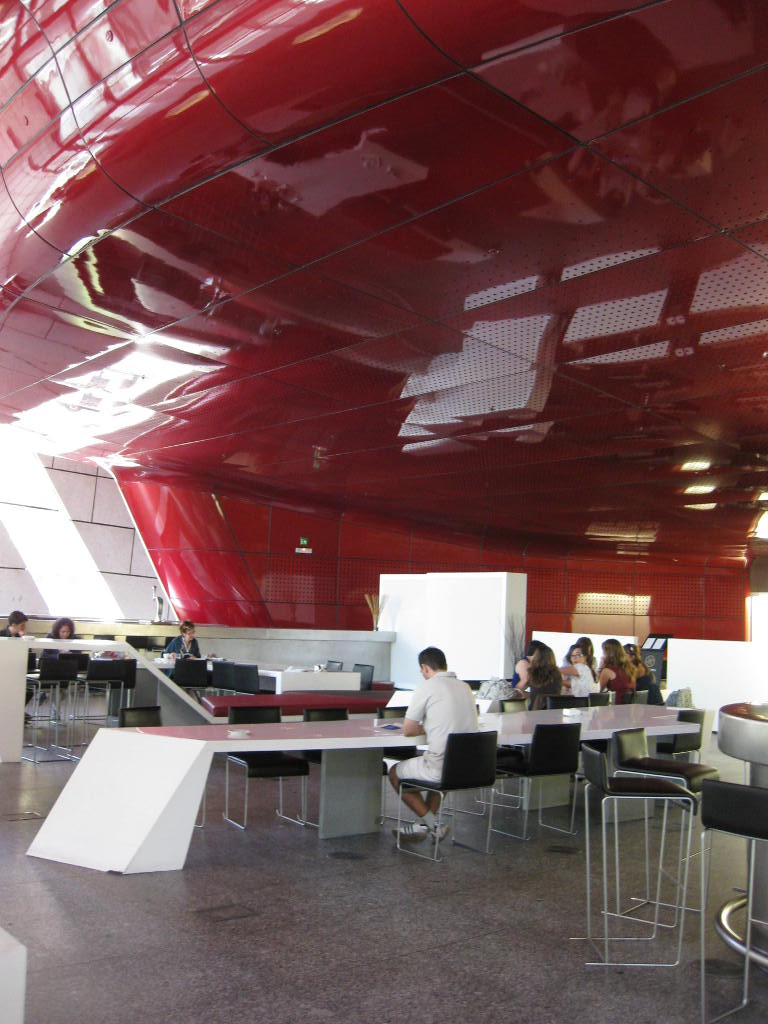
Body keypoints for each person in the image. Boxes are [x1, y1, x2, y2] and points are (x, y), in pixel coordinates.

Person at [389, 646, 477, 844]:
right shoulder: (465, 687)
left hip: (441, 765)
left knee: (395, 773)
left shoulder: (427, 688)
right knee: (440, 778)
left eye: (422, 672)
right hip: (468, 766)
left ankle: (433, 825)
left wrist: (425, 729)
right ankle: (424, 824)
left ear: (425, 668)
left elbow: (408, 729)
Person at [514, 643, 563, 710]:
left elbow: (517, 690)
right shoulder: (557, 674)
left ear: (536, 658)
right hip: (555, 710)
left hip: (536, 711)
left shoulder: (532, 673)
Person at [599, 638, 636, 704]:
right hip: (630, 709)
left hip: (617, 709)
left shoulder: (607, 671)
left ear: (608, 653)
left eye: (603, 652)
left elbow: (597, 692)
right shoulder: (629, 668)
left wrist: (600, 669)